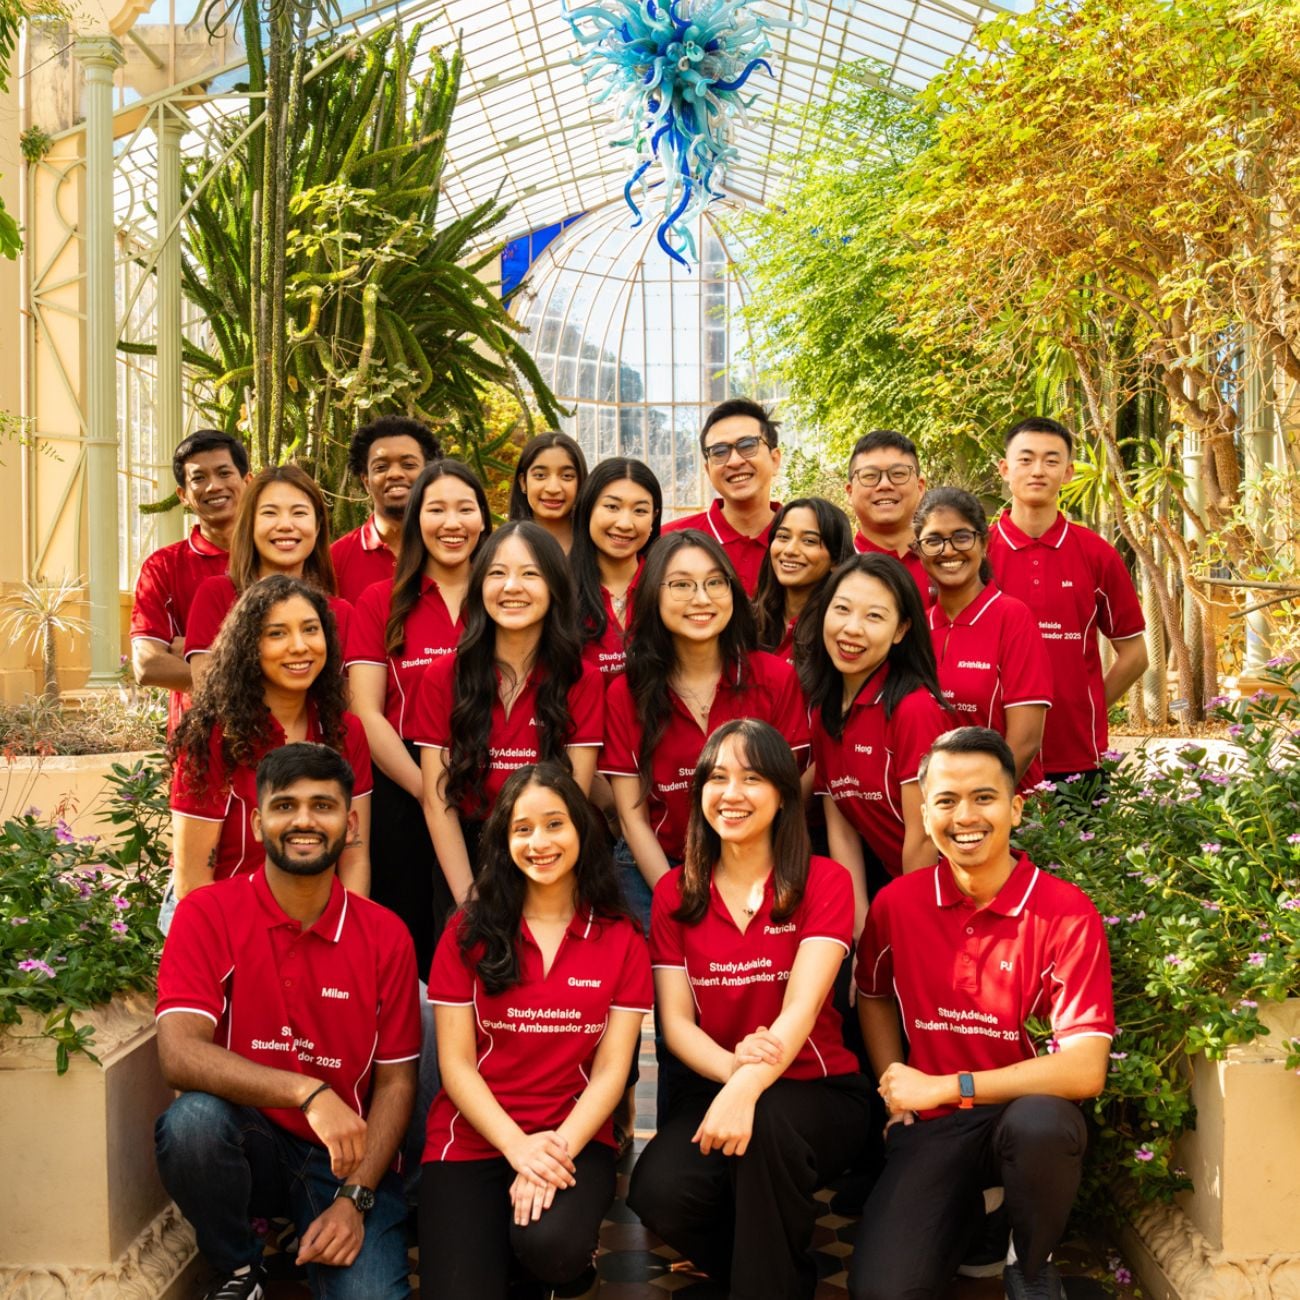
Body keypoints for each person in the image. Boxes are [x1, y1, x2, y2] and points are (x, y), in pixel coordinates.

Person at [849, 727, 1113, 1300]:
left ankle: (1031, 1261)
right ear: (925, 814)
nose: (965, 816)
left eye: (984, 797)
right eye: (946, 800)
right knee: (882, 1292)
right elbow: (872, 993)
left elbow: (1085, 1069)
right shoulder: (897, 904)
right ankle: (984, 1219)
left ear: (1016, 808)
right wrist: (895, 1087)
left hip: (1024, 1117)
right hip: (934, 1125)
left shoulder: (1066, 912)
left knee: (1042, 1125)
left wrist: (947, 1085)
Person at [154, 742, 420, 1300]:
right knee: (192, 1124)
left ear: (350, 825)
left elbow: (397, 1083)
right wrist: (307, 1092)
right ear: (257, 823)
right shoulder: (207, 912)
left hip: (344, 1158)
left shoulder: (385, 935)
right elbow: (178, 1054)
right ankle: (239, 1266)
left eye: (322, 805)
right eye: (285, 805)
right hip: (247, 1139)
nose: (304, 820)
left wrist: (355, 1199)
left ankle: (326, 1218)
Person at [627, 719, 872, 1300]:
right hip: (719, 1080)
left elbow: (801, 1008)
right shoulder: (675, 893)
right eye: (717, 778)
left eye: (752, 778)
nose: (731, 793)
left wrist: (746, 1088)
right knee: (658, 1191)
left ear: (784, 793)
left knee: (763, 1128)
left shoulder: (824, 880)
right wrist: (733, 1075)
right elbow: (676, 1024)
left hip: (819, 1088)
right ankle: (764, 1267)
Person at [419, 763, 651, 1299]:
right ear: (503, 842)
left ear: (581, 830)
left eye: (554, 824)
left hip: (573, 1135)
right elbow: (455, 1065)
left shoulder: (621, 937)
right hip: (472, 1137)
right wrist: (518, 1148)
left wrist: (551, 1151)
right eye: (522, 829)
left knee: (552, 1246)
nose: (539, 842)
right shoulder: (467, 931)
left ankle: (559, 1267)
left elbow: (611, 1072)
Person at [600, 531, 809, 928]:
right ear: (653, 595)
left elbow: (790, 794)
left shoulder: (774, 678)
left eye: (715, 582)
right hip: (659, 866)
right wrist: (678, 898)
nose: (701, 598)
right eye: (681, 585)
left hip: (762, 865)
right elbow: (632, 819)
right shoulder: (627, 693)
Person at [412, 521, 604, 907]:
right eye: (497, 573)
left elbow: (573, 799)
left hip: (549, 852)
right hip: (463, 859)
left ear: (555, 587)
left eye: (530, 574)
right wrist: (468, 900)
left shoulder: (581, 679)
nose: (511, 587)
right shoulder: (443, 676)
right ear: (479, 586)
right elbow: (437, 800)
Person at [345, 460, 491, 969]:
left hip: (489, 781)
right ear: (415, 520)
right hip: (401, 782)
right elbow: (366, 711)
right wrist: (427, 789)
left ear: (483, 519)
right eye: (436, 510)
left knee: (478, 937)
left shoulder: (502, 596)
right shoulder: (380, 601)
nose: (452, 523)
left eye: (465, 509)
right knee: (405, 941)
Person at [169, 576, 372, 908]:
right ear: (249, 646)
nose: (299, 646)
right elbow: (192, 884)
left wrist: (344, 932)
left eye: (310, 629)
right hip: (226, 923)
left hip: (318, 924)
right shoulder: (213, 735)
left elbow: (354, 857)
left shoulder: (344, 731)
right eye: (277, 633)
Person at [988, 417, 1147, 786]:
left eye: (1051, 460)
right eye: (1026, 459)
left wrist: (1090, 705)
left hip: (1077, 756)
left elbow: (1136, 655)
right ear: (1005, 469)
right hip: (993, 753)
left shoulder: (1097, 554)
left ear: (1069, 473)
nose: (1038, 470)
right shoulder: (978, 553)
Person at [799, 553, 951, 934]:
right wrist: (861, 932)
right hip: (890, 887)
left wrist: (906, 931)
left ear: (901, 630)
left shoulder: (913, 709)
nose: (852, 629)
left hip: (946, 897)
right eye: (842, 609)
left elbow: (924, 838)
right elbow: (842, 828)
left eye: (874, 616)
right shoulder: (824, 709)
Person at [915, 488, 1053, 789]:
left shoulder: (1011, 617)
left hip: (1002, 804)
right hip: (931, 804)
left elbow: (1026, 740)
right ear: (919, 551)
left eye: (962, 537)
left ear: (984, 543)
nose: (948, 551)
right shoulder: (917, 628)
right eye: (933, 540)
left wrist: (978, 801)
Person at [186, 465, 353, 693]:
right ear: (250, 524)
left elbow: (345, 700)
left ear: (317, 526)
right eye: (270, 513)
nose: (285, 525)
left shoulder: (341, 613)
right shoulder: (217, 594)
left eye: (299, 513)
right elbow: (209, 694)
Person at [131, 430, 251, 734]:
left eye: (224, 473)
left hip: (283, 738)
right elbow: (147, 665)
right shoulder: (163, 566)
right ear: (183, 495)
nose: (214, 486)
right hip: (198, 738)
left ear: (248, 481)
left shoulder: (280, 554)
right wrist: (249, 673)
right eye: (199, 478)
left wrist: (194, 650)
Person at [662, 398, 782, 596]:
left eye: (747, 445)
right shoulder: (668, 541)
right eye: (719, 451)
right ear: (708, 470)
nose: (734, 461)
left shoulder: (806, 541)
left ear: (775, 459)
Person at [331, 415, 442, 604]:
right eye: (381, 467)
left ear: (429, 474)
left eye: (408, 465)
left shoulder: (450, 549)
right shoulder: (335, 560)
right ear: (366, 481)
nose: (395, 474)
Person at [571, 456, 662, 679]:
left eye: (640, 511)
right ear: (588, 509)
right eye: (612, 507)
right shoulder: (559, 587)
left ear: (654, 518)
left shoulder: (668, 586)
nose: (624, 524)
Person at [752, 496, 855, 664]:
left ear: (836, 560)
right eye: (783, 536)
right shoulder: (747, 621)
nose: (790, 550)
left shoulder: (840, 632)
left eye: (809, 541)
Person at [845, 429, 932, 607]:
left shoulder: (946, 561)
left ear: (920, 487)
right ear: (850, 492)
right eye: (870, 476)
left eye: (898, 474)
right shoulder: (835, 570)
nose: (885, 485)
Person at [507, 431, 589, 555]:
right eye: (540, 475)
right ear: (523, 482)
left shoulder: (598, 548)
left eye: (567, 476)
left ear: (581, 483)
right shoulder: (504, 548)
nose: (553, 489)